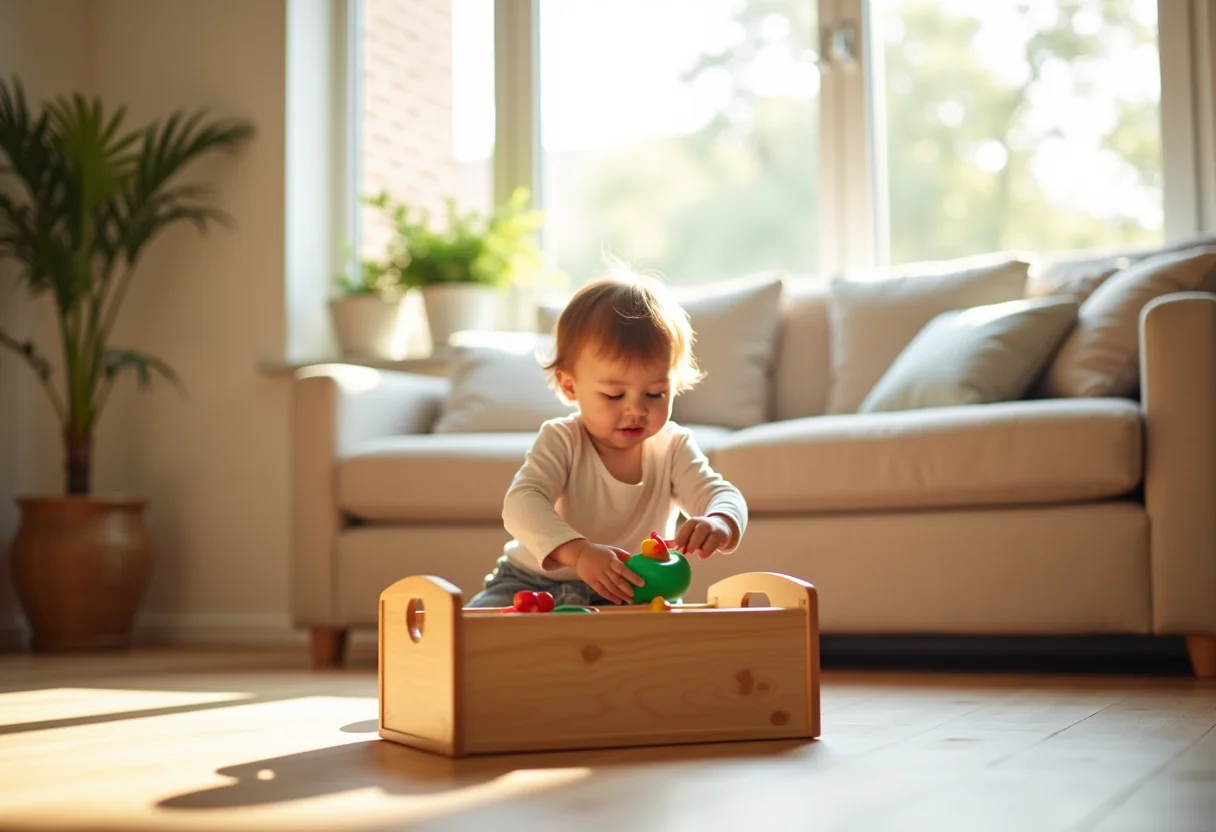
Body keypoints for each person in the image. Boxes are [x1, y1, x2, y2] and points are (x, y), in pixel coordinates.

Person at [466, 268, 749, 608]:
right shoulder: (562, 439)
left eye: (656, 393)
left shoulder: (672, 447)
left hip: (629, 590)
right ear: (570, 386)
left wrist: (719, 520)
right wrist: (579, 553)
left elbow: (720, 493)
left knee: (666, 644)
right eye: (615, 395)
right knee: (475, 636)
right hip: (532, 582)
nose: (636, 410)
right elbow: (521, 504)